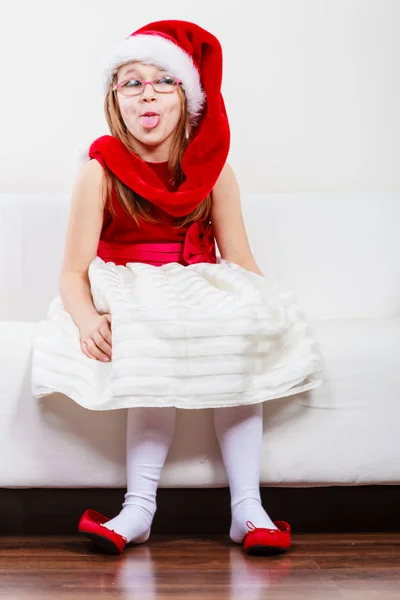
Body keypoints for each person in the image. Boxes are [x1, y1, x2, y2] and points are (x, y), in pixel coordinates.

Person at [31, 19, 324, 555]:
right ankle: (138, 508)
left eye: (163, 82)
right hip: (132, 286)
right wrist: (88, 318)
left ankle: (247, 509)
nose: (148, 94)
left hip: (197, 281)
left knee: (237, 334)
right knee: (148, 338)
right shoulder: (99, 172)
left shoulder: (215, 174)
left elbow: (239, 258)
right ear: (115, 100)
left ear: (187, 99)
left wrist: (264, 312)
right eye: (132, 82)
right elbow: (72, 272)